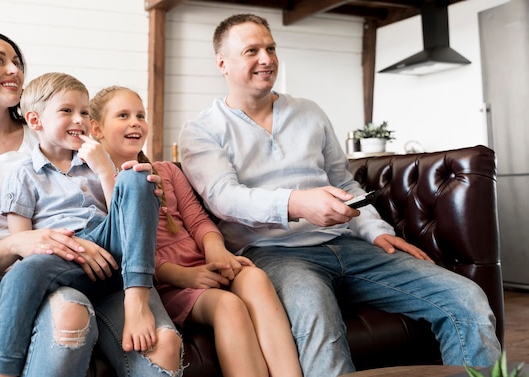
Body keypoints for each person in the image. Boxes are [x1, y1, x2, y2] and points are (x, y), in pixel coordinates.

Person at [177, 13, 502, 376]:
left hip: (347, 244)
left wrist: (377, 232)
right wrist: (299, 204)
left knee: (465, 298)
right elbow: (224, 197)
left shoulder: (309, 112)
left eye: (270, 48)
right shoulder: (202, 129)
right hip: (273, 255)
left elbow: (345, 184)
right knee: (318, 324)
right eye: (252, 50)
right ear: (222, 63)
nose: (266, 59)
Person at [0, 31, 182, 377]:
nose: (14, 69)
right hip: (17, 276)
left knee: (164, 344)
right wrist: (39, 243)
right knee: (69, 314)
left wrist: (132, 177)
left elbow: (117, 187)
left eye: (17, 61)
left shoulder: (56, 130)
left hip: (104, 259)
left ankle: (135, 300)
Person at [88, 85, 303, 377]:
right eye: (123, 115)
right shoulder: (100, 183)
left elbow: (199, 220)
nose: (135, 122)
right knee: (228, 305)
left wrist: (218, 253)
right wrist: (185, 276)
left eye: (140, 115)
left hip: (203, 265)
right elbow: (126, 249)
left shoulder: (168, 171)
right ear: (97, 128)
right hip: (166, 284)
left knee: (254, 277)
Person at [0, 71, 165, 375]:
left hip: (114, 254)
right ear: (35, 121)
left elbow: (120, 218)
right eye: (67, 111)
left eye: (84, 111)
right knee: (21, 272)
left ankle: (136, 300)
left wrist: (103, 170)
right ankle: (0, 370)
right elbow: (24, 244)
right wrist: (73, 245)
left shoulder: (94, 163)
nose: (79, 119)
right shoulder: (24, 174)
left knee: (137, 176)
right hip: (64, 257)